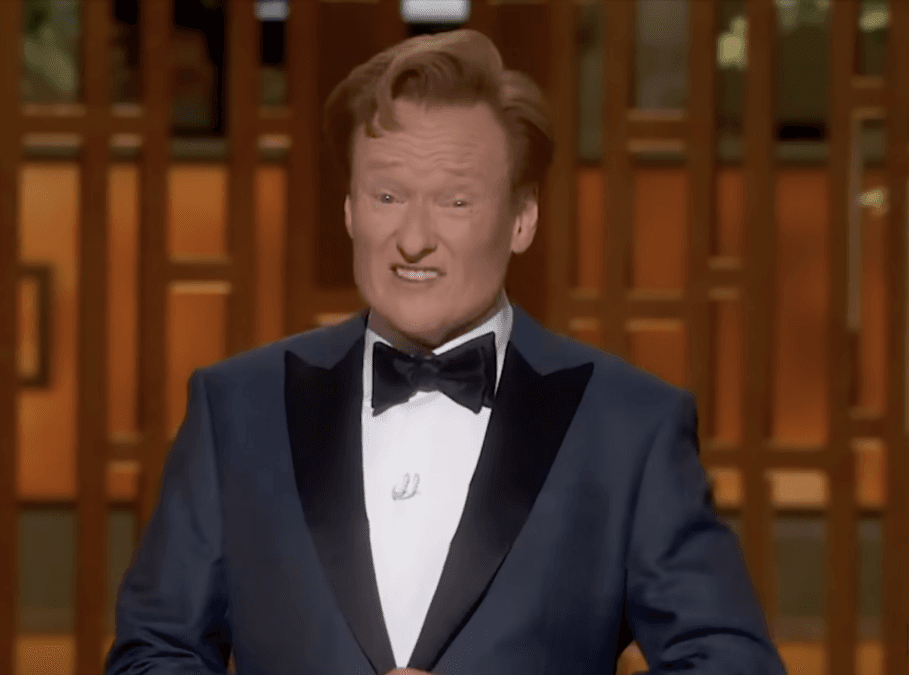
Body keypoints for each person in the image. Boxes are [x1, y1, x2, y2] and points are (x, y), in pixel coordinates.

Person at [105, 29, 786, 675]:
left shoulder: (628, 427)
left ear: (522, 218)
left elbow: (732, 664)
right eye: (387, 195)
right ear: (349, 209)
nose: (413, 238)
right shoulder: (237, 409)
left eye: (455, 201)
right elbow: (151, 653)